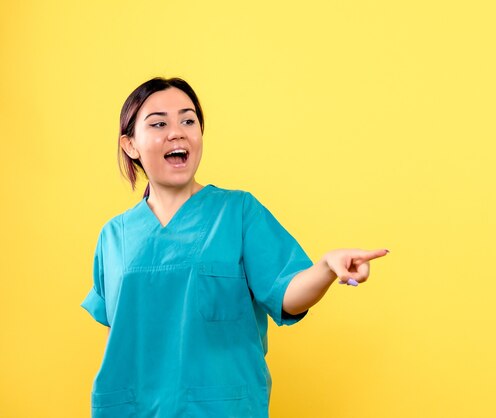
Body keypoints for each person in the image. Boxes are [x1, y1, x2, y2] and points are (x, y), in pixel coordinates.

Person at [80, 77, 388, 418]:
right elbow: (119, 336)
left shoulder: (239, 213)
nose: (177, 132)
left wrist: (326, 269)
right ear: (130, 145)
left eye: (188, 120)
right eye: (159, 124)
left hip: (221, 408)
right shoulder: (114, 235)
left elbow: (287, 293)